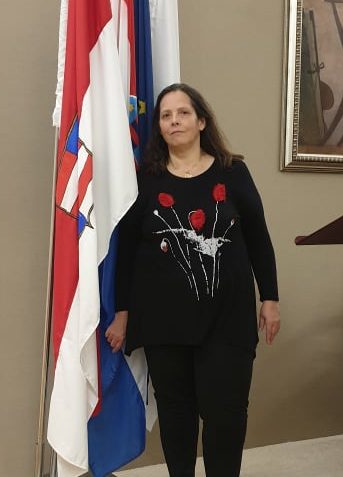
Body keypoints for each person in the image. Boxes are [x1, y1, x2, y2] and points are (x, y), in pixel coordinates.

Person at [105, 83, 280, 477]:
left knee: (225, 415)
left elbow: (258, 237)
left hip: (227, 320)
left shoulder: (233, 172)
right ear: (159, 127)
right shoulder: (145, 180)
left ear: (201, 121)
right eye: (166, 116)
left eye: (183, 113)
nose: (174, 121)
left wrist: (270, 298)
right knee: (176, 413)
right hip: (163, 321)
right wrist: (122, 311)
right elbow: (127, 250)